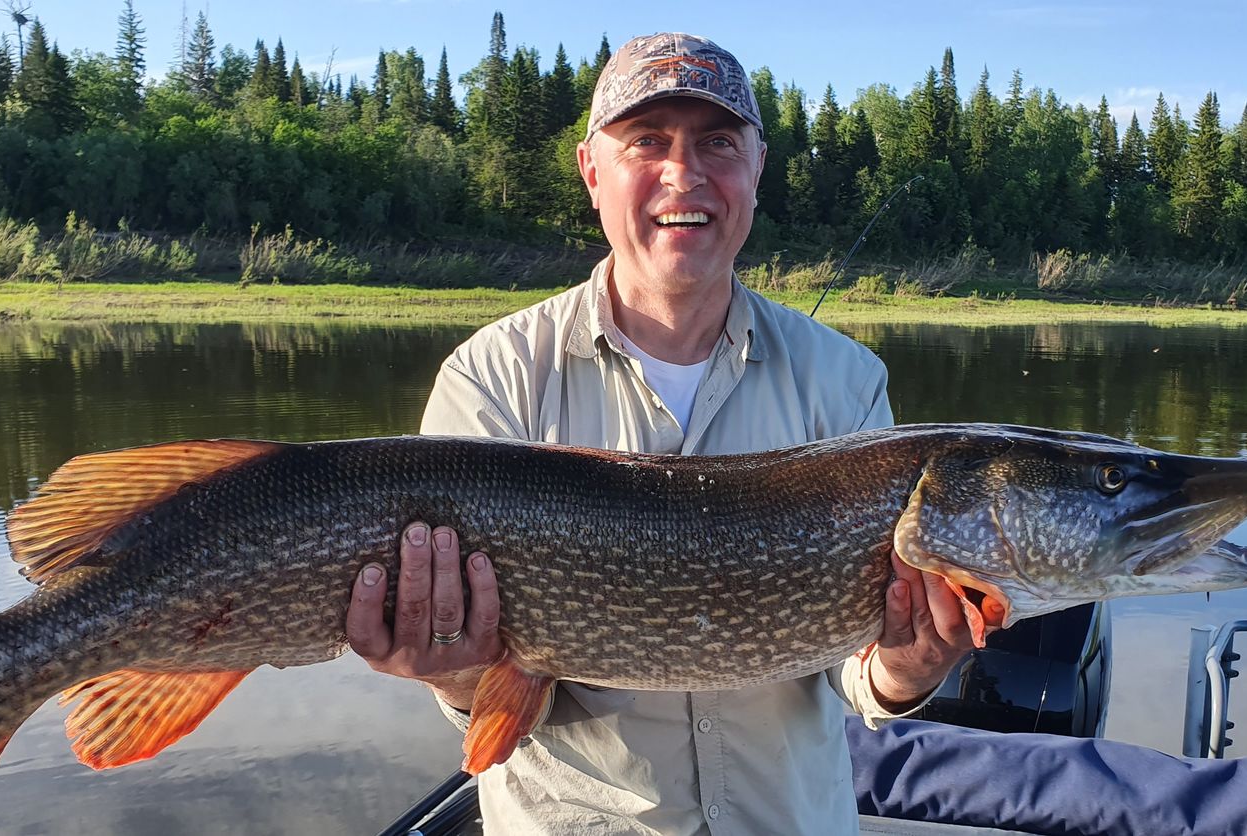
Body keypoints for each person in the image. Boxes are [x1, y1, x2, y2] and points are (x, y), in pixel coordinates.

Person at [345, 32, 978, 834]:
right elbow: (488, 696)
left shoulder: (846, 381)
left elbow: (861, 678)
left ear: (755, 167)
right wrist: (452, 672)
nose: (686, 174)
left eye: (718, 142)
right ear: (591, 171)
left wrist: (911, 662)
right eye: (647, 140)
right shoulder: (492, 378)